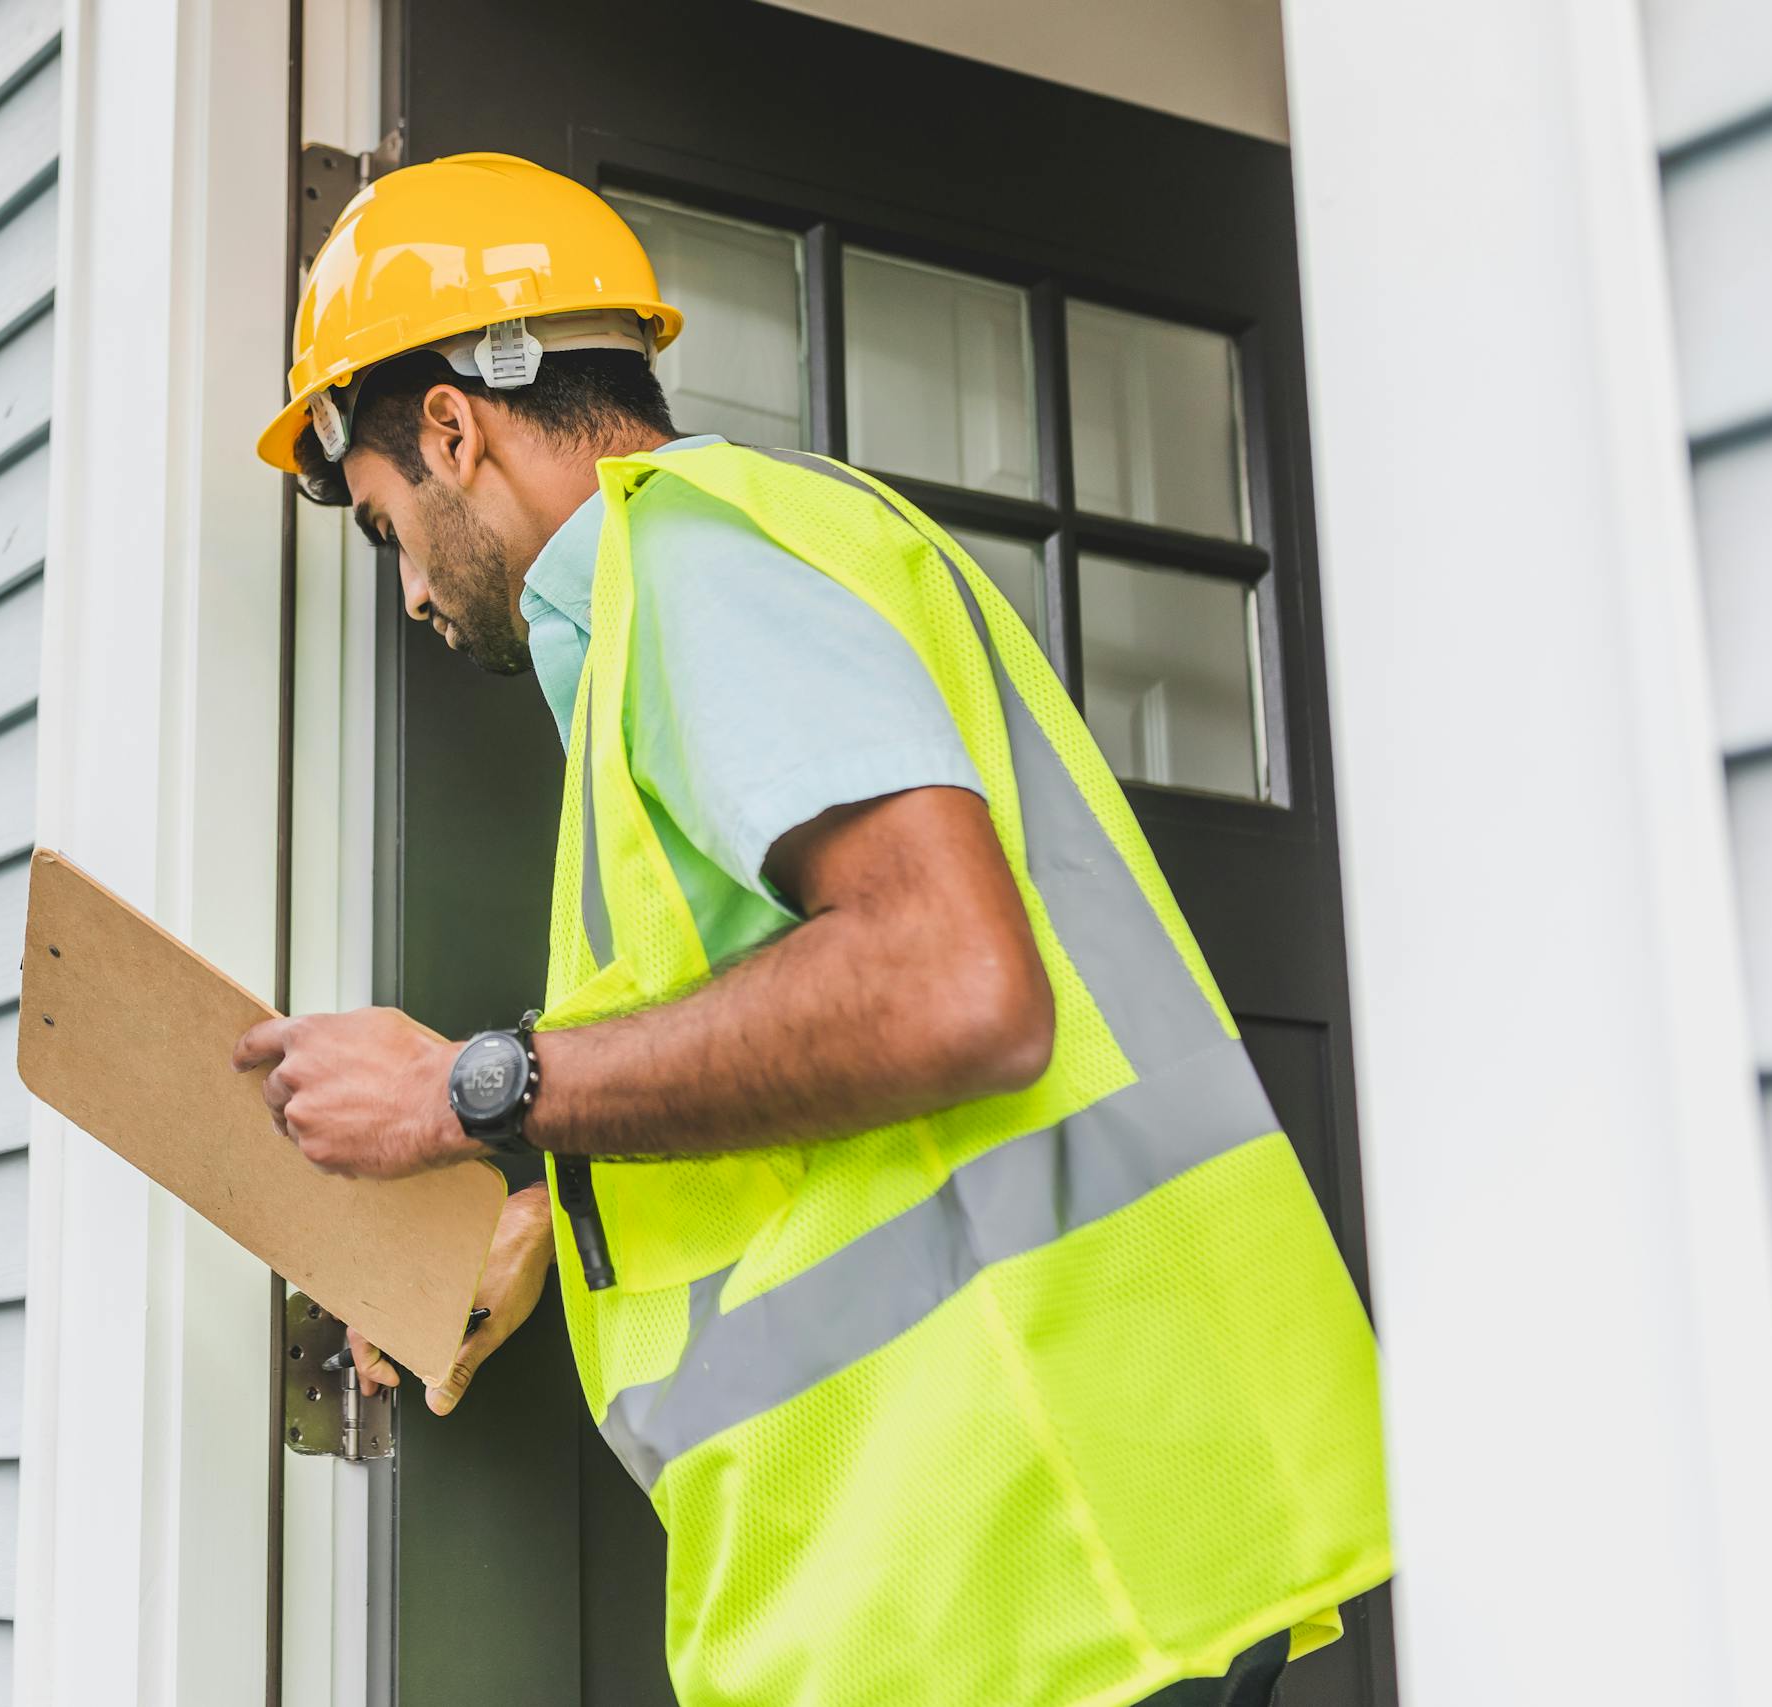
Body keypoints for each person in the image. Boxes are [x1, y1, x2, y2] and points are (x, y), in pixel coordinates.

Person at [231, 152, 1390, 1707]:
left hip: (1028, 1561)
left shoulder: (699, 563)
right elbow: (804, 1063)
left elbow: (953, 989)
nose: (415, 597)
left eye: (384, 528)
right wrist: (538, 1226)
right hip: (1025, 1556)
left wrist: (463, 1094)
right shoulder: (719, 578)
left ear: (452, 426)